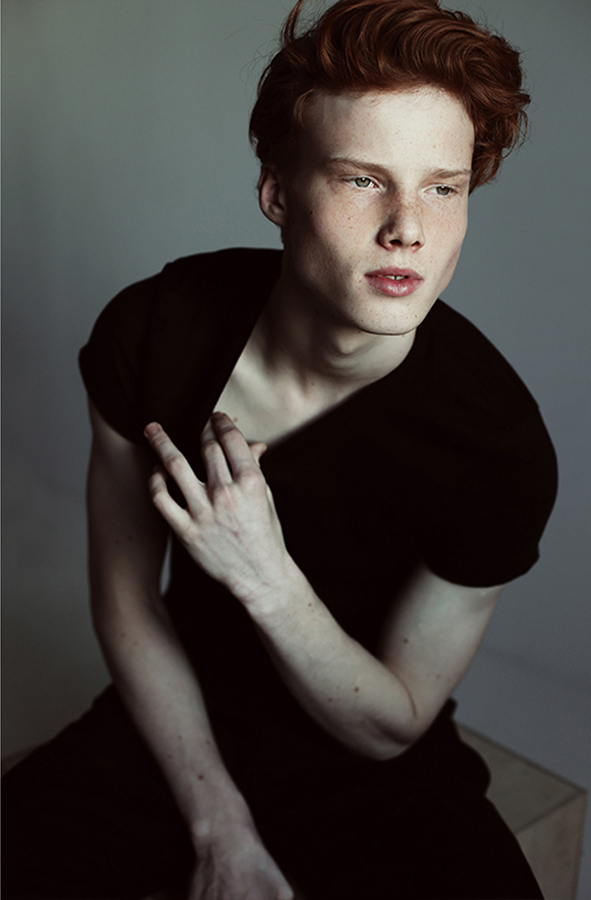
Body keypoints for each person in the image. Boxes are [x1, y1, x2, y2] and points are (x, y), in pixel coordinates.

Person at [3, 0, 558, 898]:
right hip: (176, 717)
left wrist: (264, 575)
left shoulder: (497, 446)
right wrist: (216, 822)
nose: (408, 227)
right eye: (362, 179)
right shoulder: (156, 333)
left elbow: (392, 725)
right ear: (277, 193)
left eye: (442, 188)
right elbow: (129, 603)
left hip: (368, 761)